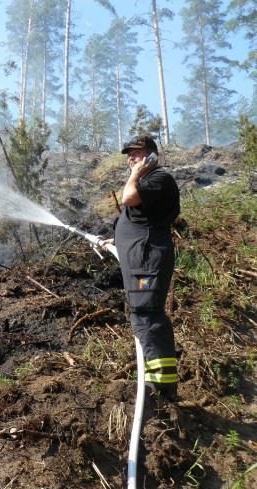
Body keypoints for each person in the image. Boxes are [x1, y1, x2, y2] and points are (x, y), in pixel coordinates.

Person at [101, 134, 180, 402]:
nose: (131, 158)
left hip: (147, 260)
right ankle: (155, 384)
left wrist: (135, 174)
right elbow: (137, 219)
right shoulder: (145, 182)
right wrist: (116, 240)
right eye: (129, 155)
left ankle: (162, 391)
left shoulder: (159, 179)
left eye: (137, 153)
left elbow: (129, 198)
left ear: (152, 156)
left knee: (147, 315)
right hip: (137, 257)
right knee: (142, 314)